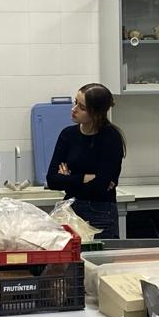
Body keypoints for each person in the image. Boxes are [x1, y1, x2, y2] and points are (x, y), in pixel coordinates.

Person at [46, 83, 125, 239]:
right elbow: (52, 180)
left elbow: (102, 186)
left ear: (96, 113)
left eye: (81, 107)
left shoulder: (110, 138)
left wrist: (68, 179)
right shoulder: (68, 135)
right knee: (72, 261)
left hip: (101, 213)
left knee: (101, 260)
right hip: (71, 209)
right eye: (75, 102)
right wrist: (83, 178)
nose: (74, 109)